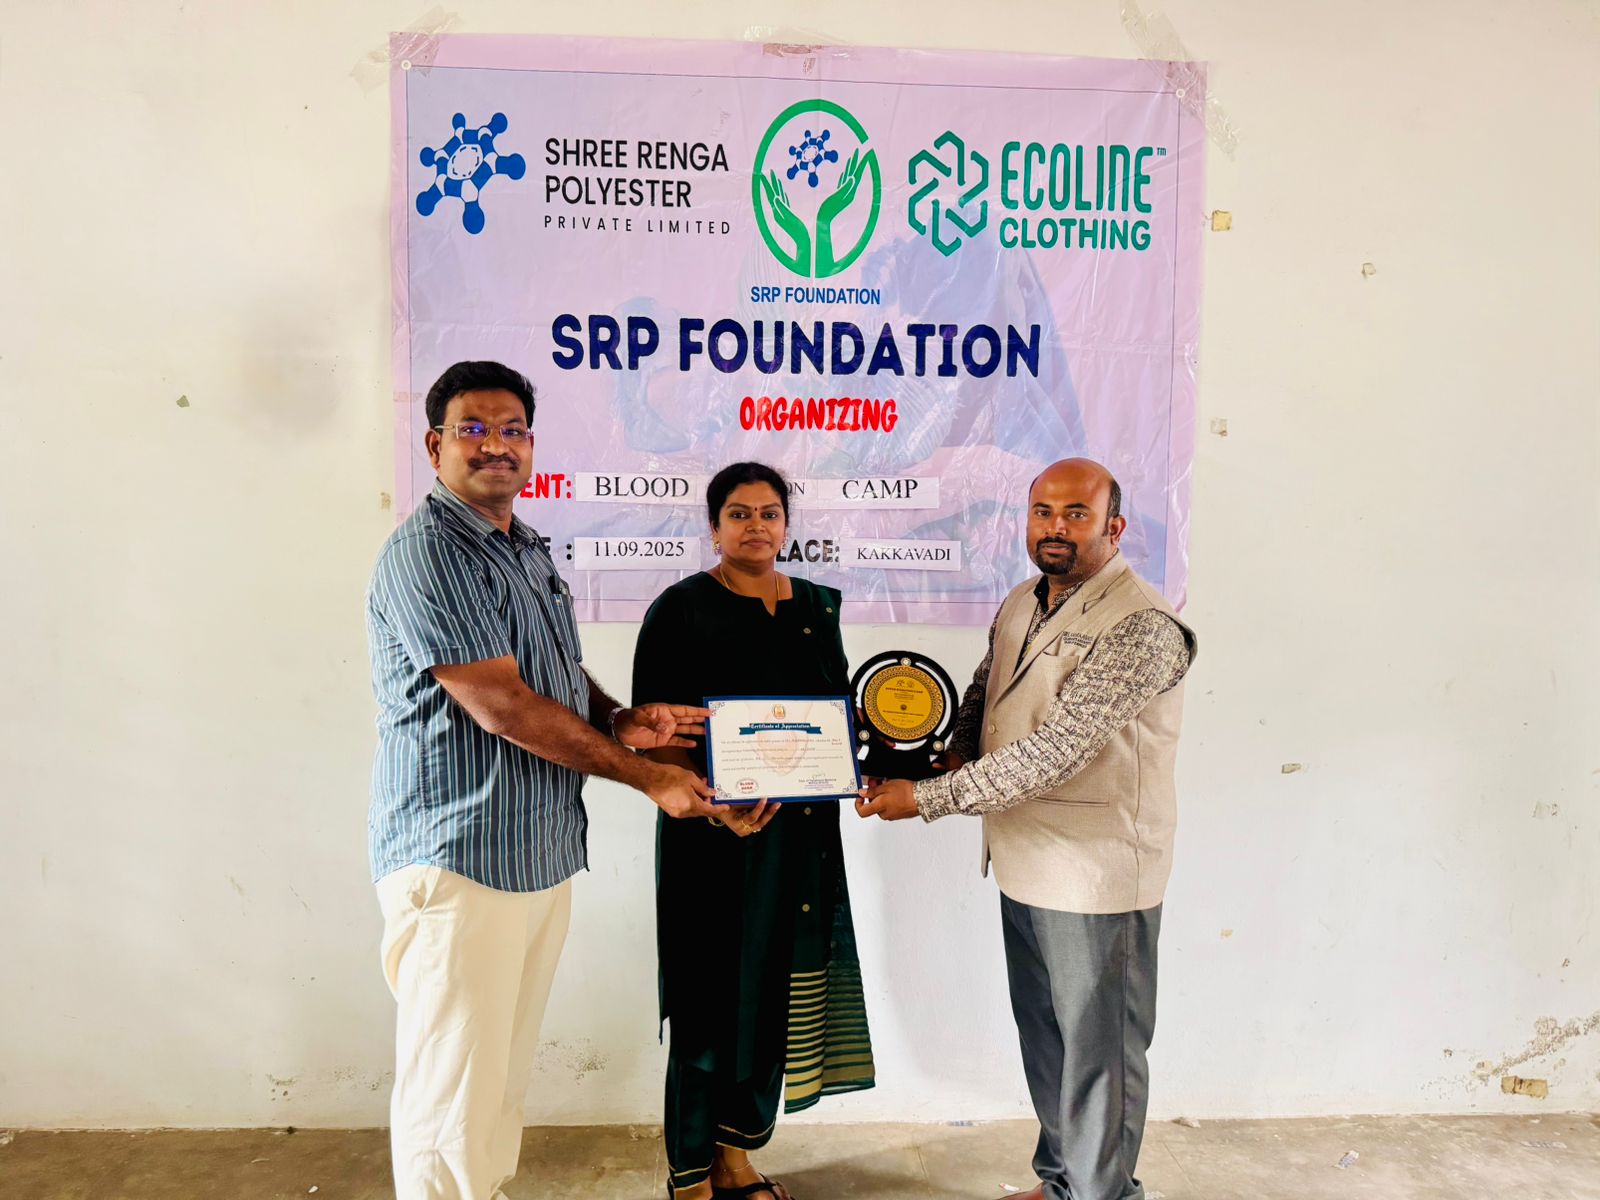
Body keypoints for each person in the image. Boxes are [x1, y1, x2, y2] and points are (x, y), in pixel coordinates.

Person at [365, 360, 720, 1200]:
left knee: (495, 1084)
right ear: (434, 446)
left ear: (531, 444)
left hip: (532, 848)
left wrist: (618, 720)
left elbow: (546, 679)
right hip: (461, 856)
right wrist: (646, 777)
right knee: (451, 1097)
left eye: (512, 430)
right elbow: (504, 706)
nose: (496, 445)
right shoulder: (433, 552)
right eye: (473, 429)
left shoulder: (521, 545)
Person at [857, 458, 1197, 1200]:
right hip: (1024, 860)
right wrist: (948, 748)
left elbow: (1054, 753)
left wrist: (929, 796)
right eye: (1043, 511)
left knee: (1100, 1058)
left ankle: (1104, 1195)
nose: (1055, 527)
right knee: (1047, 1039)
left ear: (1115, 526)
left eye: (1076, 514)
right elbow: (987, 691)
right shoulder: (1024, 599)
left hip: (1098, 875)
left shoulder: (1141, 624)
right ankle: (1062, 1182)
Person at [633, 462, 876, 1200]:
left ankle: (736, 1158)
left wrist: (870, 757)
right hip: (712, 836)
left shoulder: (816, 607)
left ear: (786, 526)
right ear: (714, 529)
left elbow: (838, 712)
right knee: (709, 1006)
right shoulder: (679, 609)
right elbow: (657, 735)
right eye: (739, 514)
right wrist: (712, 807)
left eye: (770, 513)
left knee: (775, 994)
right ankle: (689, 1176)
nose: (756, 526)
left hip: (798, 839)